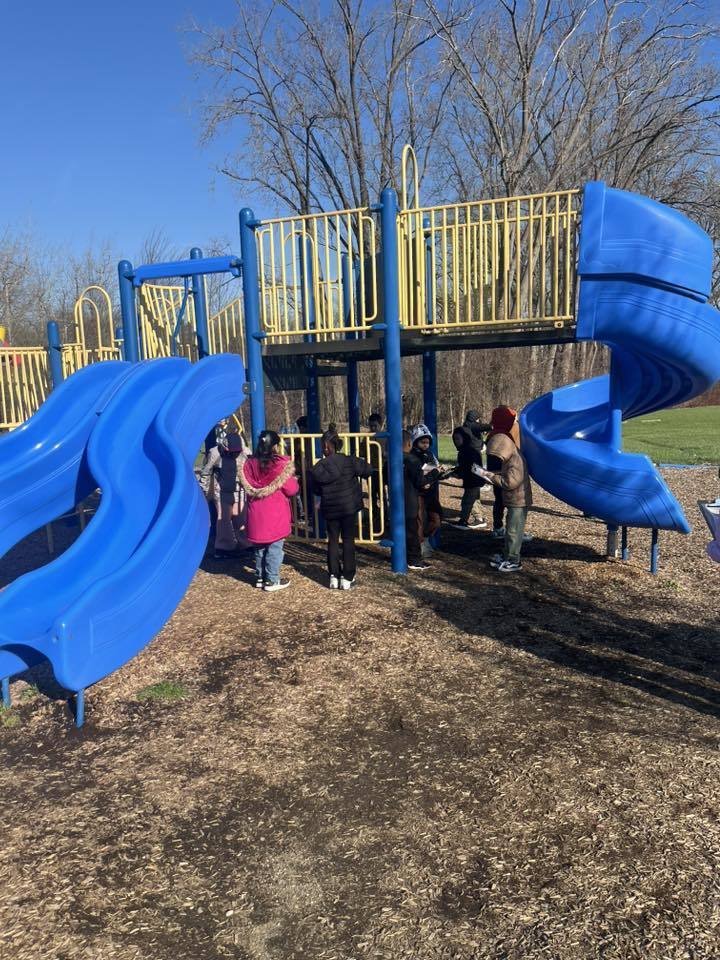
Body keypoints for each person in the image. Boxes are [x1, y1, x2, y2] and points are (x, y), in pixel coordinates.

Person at [310, 428, 373, 589]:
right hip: (348, 507)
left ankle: (333, 576)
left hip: (330, 508)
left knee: (332, 540)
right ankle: (348, 577)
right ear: (337, 444)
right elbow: (367, 470)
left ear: (324, 446)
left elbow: (316, 489)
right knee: (348, 540)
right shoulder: (349, 461)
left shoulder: (318, 468)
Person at [239, 430, 299, 591]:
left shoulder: (248, 465)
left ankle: (260, 577)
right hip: (275, 515)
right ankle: (272, 580)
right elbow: (292, 489)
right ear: (276, 446)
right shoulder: (280, 466)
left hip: (255, 515)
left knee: (259, 548)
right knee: (274, 548)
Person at [474, 430, 532, 573]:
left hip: (519, 500)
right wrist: (491, 474)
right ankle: (507, 555)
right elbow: (507, 475)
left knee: (514, 531)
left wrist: (492, 477)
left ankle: (514, 560)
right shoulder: (511, 457)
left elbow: (510, 482)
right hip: (514, 500)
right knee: (510, 530)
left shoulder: (516, 461)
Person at [199, 428, 250, 559]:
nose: (234, 455)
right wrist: (203, 490)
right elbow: (206, 471)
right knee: (223, 519)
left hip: (239, 488)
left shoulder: (245, 453)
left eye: (236, 453)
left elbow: (250, 471)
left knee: (240, 517)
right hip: (220, 490)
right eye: (230, 453)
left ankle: (245, 544)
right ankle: (224, 547)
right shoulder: (215, 453)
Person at [407, 424, 444, 559]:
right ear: (415, 442)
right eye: (423, 442)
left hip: (430, 492)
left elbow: (435, 468)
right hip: (419, 493)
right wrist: (432, 473)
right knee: (419, 521)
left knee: (437, 519)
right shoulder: (412, 456)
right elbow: (418, 477)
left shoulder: (429, 454)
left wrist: (441, 472)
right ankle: (420, 545)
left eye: (428, 442)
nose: (426, 445)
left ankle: (425, 538)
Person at [486, 406, 522, 539]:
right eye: (511, 420)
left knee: (500, 502)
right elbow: (497, 458)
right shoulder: (500, 437)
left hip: (499, 474)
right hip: (502, 475)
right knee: (508, 503)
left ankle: (500, 527)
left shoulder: (496, 434)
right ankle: (506, 530)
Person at [448, 418, 489, 530]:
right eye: (455, 439)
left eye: (458, 439)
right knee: (474, 500)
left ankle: (463, 521)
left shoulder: (467, 451)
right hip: (473, 480)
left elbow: (469, 468)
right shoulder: (465, 450)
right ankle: (479, 519)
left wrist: (457, 473)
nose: (456, 441)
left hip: (473, 480)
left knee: (467, 501)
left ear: (464, 438)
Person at [403, 430, 431, 570]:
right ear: (409, 443)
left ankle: (405, 555)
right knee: (412, 529)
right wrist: (434, 474)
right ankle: (414, 559)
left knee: (404, 528)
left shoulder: (392, 459)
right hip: (410, 498)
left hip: (397, 499)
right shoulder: (412, 460)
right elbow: (420, 482)